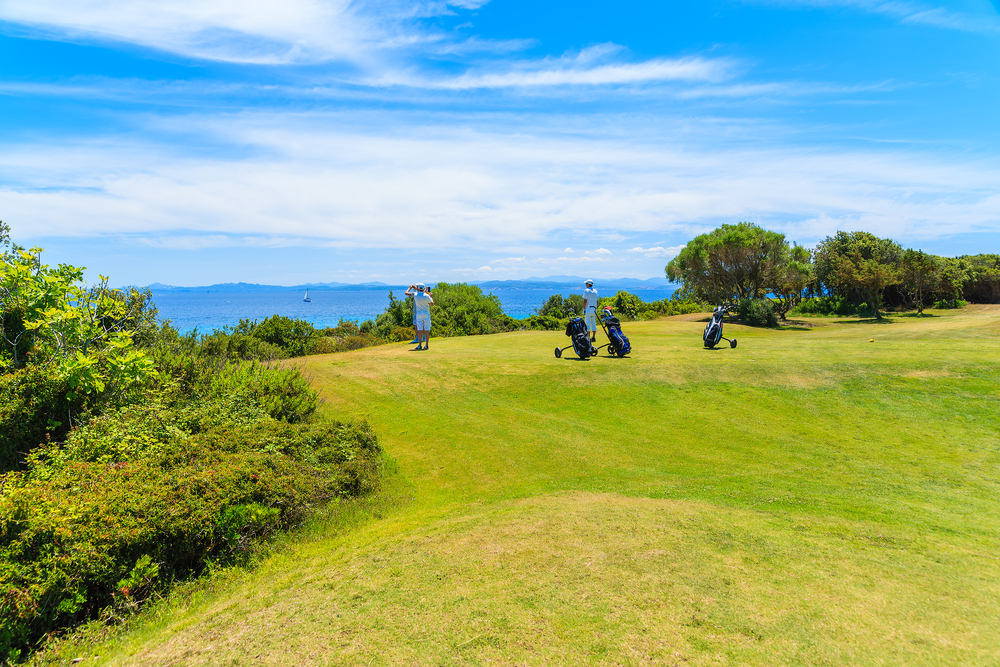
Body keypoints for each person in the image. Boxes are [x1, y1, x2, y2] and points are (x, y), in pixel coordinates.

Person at [405, 282, 434, 350]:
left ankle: (419, 345)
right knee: (426, 330)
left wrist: (410, 288)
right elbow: (432, 304)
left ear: (418, 288)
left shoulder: (415, 295)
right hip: (426, 314)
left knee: (419, 330)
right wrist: (431, 297)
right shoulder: (426, 296)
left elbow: (407, 293)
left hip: (419, 314)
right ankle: (426, 345)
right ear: (423, 288)